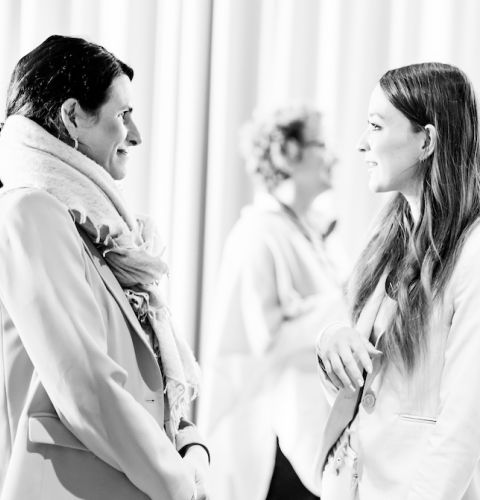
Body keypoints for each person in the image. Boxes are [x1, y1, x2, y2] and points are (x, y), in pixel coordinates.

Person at [0, 35, 209, 500]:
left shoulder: (97, 231)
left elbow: (140, 378)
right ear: (73, 116)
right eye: (122, 114)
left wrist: (192, 446)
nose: (135, 134)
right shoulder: (31, 212)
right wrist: (178, 484)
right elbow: (85, 385)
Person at [315, 62, 480, 500]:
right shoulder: (387, 237)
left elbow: (462, 427)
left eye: (376, 126)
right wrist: (332, 341)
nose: (361, 143)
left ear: (427, 141)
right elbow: (366, 395)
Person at [199, 106, 350, 500]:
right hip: (274, 440)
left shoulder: (317, 233)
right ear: (287, 153)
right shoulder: (257, 234)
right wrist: (347, 303)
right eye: (322, 145)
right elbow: (268, 339)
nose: (334, 157)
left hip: (318, 430)